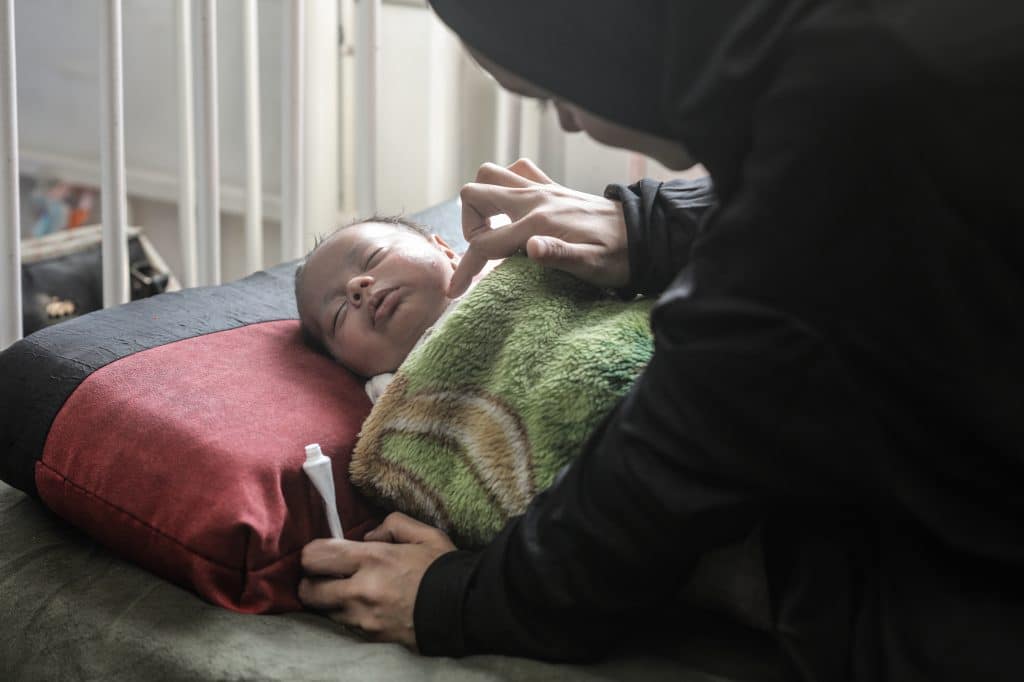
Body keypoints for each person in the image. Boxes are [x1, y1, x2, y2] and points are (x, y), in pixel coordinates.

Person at [298, 2, 1024, 680]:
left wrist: (457, 599)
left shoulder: (856, 108)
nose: (578, 129)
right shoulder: (862, 52)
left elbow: (675, 453)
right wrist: (650, 226)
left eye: (561, 96)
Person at [293, 216, 462, 382]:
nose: (355, 286)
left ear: (445, 251)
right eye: (339, 313)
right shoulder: (394, 399)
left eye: (374, 256)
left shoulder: (487, 265)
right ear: (344, 365)